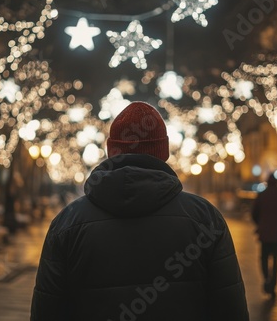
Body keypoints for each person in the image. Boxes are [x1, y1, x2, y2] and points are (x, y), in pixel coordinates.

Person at [31, 102, 249, 320]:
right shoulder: (206, 219)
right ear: (163, 150)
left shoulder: (67, 223)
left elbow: (46, 312)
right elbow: (231, 310)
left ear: (111, 151)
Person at [252, 174, 277, 298]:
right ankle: (273, 284)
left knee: (263, 258)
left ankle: (266, 279)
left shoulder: (262, 195)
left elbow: (254, 213)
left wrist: (260, 224)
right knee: (275, 259)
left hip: (264, 233)